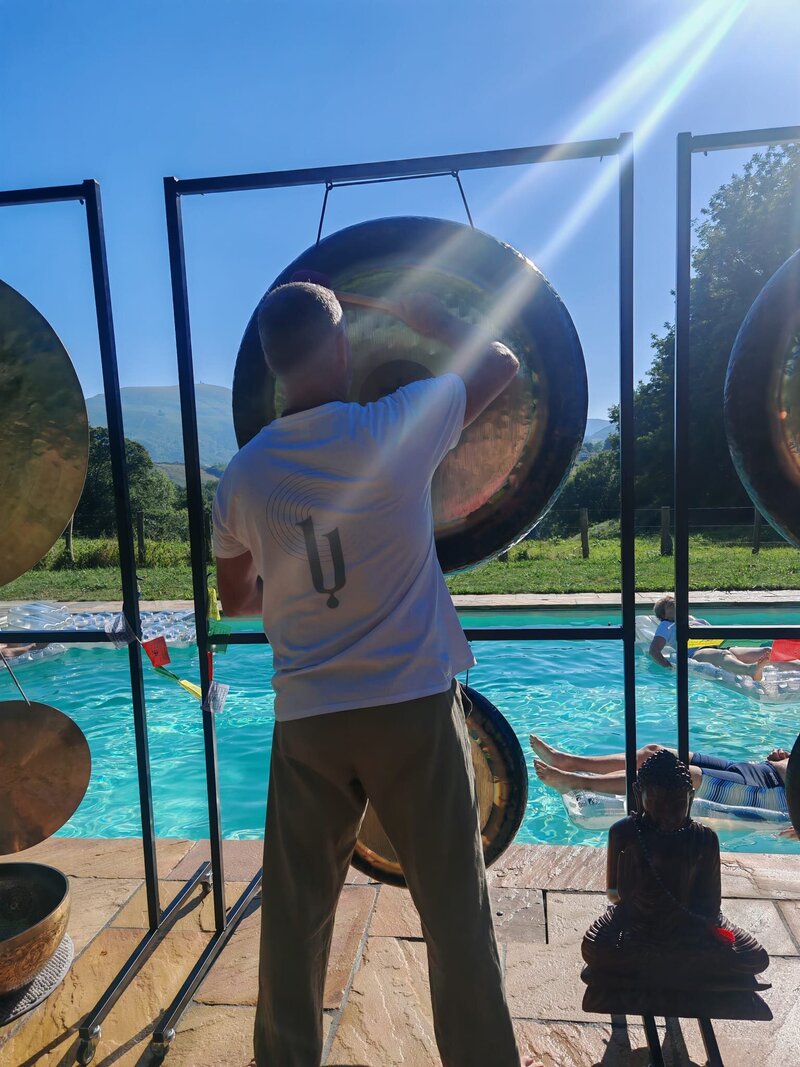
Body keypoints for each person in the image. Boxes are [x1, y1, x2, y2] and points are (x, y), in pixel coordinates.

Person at [213, 281, 537, 1067]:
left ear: (270, 363)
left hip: (310, 720)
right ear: (343, 347)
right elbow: (502, 361)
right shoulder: (398, 424)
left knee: (295, 920)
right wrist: (423, 316)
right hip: (411, 708)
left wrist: (296, 594)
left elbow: (234, 600)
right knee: (455, 912)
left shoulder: (244, 475)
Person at [581, 749, 769, 1007]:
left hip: (689, 930)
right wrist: (631, 897)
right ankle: (681, 969)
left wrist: (690, 929)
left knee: (755, 956)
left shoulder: (704, 839)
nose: (668, 813)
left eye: (678, 804)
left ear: (690, 798)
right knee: (594, 947)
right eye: (657, 803)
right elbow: (614, 896)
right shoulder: (624, 833)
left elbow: (710, 905)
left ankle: (655, 968)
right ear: (638, 795)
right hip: (638, 926)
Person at [530, 735, 789, 814]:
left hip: (774, 793)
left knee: (680, 775)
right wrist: (784, 756)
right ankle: (569, 761)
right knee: (654, 751)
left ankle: (578, 781)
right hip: (756, 769)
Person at [648, 594, 770, 679]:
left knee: (766, 651)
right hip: (696, 652)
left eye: (676, 602)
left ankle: (787, 662)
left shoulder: (698, 621)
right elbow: (654, 650)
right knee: (722, 655)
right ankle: (749, 670)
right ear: (664, 615)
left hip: (718, 648)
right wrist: (668, 667)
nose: (675, 605)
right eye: (670, 605)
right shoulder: (667, 625)